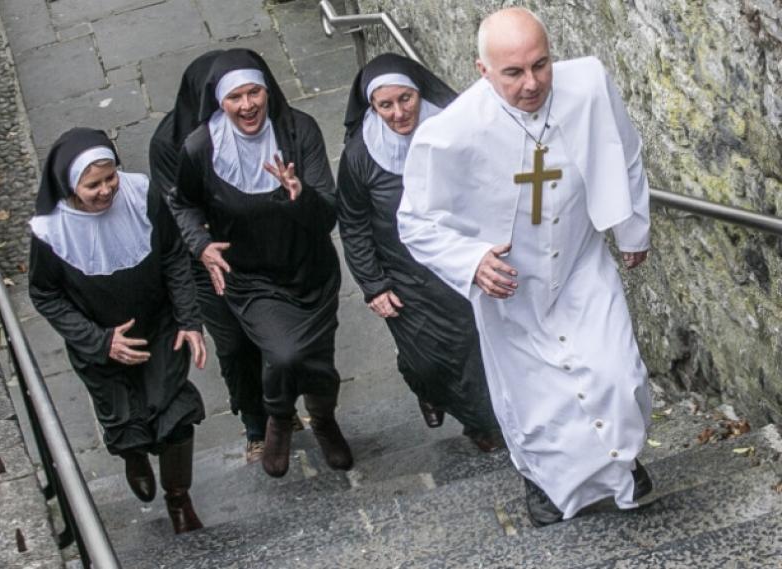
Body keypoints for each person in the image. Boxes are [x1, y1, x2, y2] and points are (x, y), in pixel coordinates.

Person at [397, 7, 654, 526]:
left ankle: (620, 461)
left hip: (580, 262)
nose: (532, 83)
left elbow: (625, 151)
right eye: (513, 73)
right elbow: (415, 221)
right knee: (538, 402)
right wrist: (472, 262)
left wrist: (632, 228)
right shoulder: (450, 133)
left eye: (541, 65)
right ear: (482, 70)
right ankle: (544, 482)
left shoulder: (589, 83)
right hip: (513, 285)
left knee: (617, 375)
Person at [170, 48, 353, 478]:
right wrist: (201, 244)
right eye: (235, 97)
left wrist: (300, 195)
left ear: (268, 91)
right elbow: (182, 204)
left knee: (319, 359)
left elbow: (328, 213)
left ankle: (323, 420)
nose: (247, 105)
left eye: (254, 93)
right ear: (220, 102)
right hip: (252, 279)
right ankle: (278, 417)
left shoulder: (299, 130)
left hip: (310, 271)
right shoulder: (200, 148)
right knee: (285, 354)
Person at [29, 128, 207, 534]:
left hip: (157, 326)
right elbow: (44, 294)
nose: (107, 190)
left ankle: (179, 499)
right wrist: (101, 341)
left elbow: (173, 255)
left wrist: (189, 319)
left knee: (175, 411)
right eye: (93, 185)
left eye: (110, 178)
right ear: (70, 186)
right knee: (125, 420)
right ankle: (134, 456)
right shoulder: (50, 231)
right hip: (99, 342)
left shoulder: (142, 194)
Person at [337, 53, 504, 451]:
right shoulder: (360, 155)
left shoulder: (454, 128)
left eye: (406, 99)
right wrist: (374, 285)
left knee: (470, 352)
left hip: (456, 265)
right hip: (402, 278)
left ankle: (481, 425)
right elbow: (353, 224)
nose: (398, 113)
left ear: (419, 93)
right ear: (371, 106)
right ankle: (423, 384)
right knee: (426, 362)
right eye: (385, 105)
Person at [150, 51, 269, 464]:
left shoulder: (262, 124)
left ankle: (282, 409)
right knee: (234, 345)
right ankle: (255, 425)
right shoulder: (169, 143)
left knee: (273, 336)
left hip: (260, 248)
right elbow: (178, 206)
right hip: (206, 262)